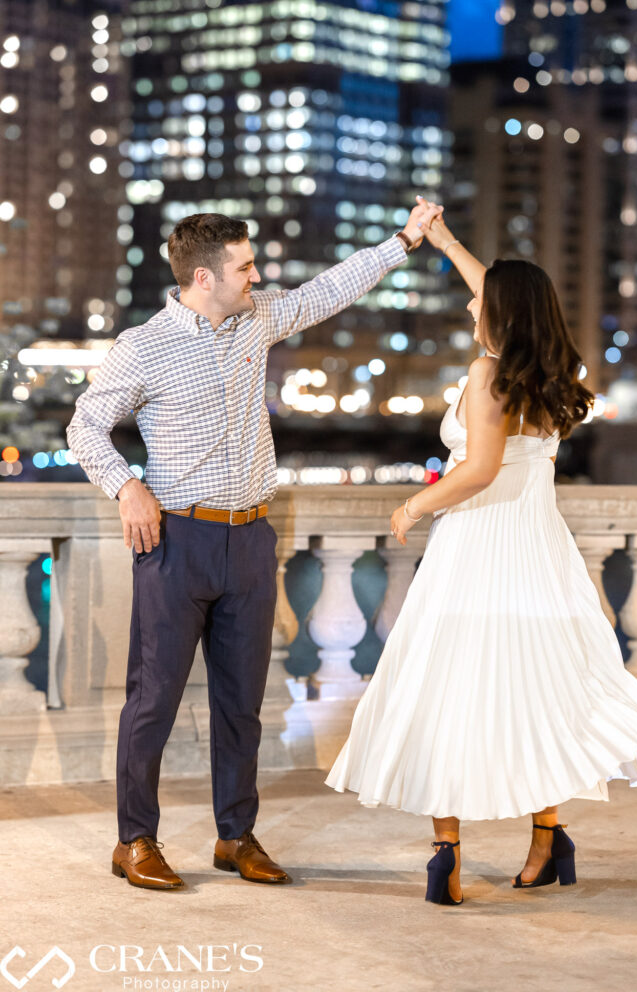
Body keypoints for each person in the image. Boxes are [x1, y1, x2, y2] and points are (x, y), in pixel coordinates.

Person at [66, 199, 443, 890]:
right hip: (175, 540)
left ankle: (235, 836)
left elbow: (328, 289)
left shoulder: (257, 316)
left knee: (241, 702)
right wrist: (126, 487)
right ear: (204, 278)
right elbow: (85, 428)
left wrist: (403, 241)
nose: (256, 275)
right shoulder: (142, 345)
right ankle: (135, 840)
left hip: (250, 539)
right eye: (244, 266)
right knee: (152, 699)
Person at [326, 213, 637, 906]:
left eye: (477, 301)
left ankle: (447, 852)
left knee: (444, 687)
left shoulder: (487, 374)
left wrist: (414, 507)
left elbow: (480, 468)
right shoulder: (553, 372)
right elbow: (497, 290)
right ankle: (548, 838)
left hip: (478, 543)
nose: (468, 304)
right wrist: (448, 240)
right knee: (534, 690)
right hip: (536, 549)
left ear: (497, 314)